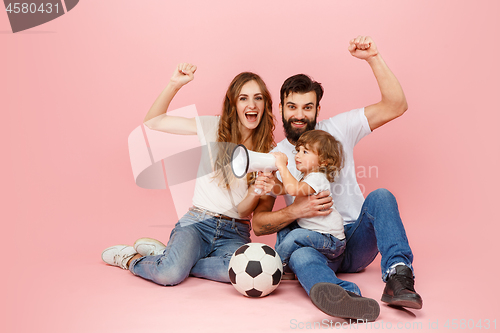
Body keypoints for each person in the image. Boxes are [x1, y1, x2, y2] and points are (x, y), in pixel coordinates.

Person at [252, 36, 423, 322]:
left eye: (308, 107)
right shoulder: (276, 156)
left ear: (318, 110)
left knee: (381, 196)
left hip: (354, 240)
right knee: (302, 257)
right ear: (280, 108)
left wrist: (373, 58)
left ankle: (398, 277)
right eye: (292, 106)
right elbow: (258, 224)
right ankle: (346, 296)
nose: (299, 114)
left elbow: (396, 105)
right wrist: (297, 210)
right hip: (315, 245)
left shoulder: (339, 128)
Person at [101, 63, 276, 286]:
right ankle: (133, 260)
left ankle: (172, 257)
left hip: (235, 231)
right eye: (243, 98)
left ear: (265, 104)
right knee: (170, 274)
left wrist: (255, 190)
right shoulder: (213, 126)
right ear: (233, 104)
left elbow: (242, 211)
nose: (251, 104)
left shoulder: (269, 153)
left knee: (235, 274)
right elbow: (154, 121)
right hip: (198, 223)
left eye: (258, 98)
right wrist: (174, 85)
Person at [271, 130, 346, 273]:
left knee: (295, 235)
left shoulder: (317, 177)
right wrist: (273, 179)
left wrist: (282, 166)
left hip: (331, 241)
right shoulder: (306, 177)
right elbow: (285, 189)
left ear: (323, 161)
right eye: (298, 150)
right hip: (316, 233)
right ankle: (284, 268)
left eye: (305, 152)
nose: (298, 155)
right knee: (283, 226)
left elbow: (293, 189)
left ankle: (274, 266)